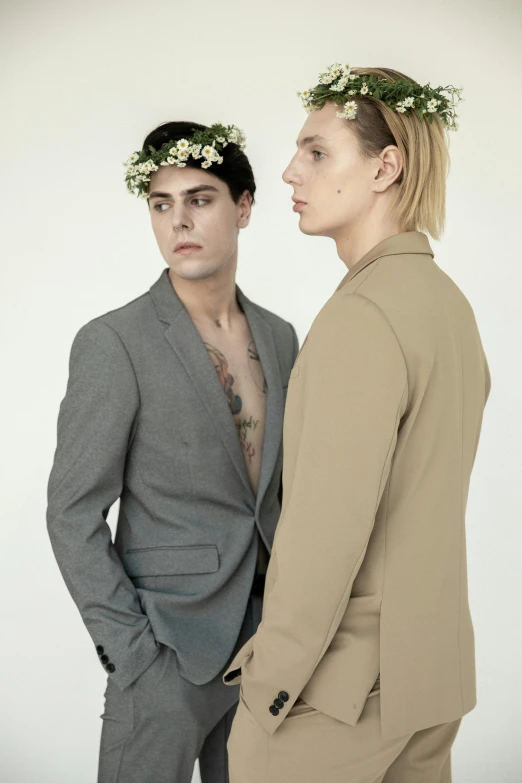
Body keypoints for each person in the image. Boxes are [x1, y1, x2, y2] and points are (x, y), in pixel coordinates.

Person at [223, 64, 491, 783]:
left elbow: (325, 534)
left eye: (316, 151)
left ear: (386, 167)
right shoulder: (447, 305)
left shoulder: (362, 317)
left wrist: (267, 682)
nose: (287, 172)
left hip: (338, 696)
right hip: (429, 678)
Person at [46, 120, 298, 783]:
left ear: (243, 208)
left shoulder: (280, 337)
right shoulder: (116, 342)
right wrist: (132, 654)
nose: (178, 220)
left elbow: (277, 496)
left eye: (200, 198)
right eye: (162, 203)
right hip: (164, 657)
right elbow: (71, 512)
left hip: (265, 653)